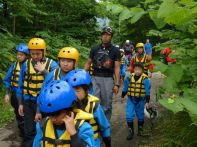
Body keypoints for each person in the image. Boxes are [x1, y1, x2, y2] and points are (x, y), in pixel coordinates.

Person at [17, 38, 59, 147]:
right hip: (28, 102)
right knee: (29, 130)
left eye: (38, 54)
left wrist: (44, 71)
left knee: (45, 129)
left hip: (46, 103)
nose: (35, 56)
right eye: (32, 54)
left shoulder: (52, 64)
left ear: (43, 52)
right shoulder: (26, 64)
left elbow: (57, 81)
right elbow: (20, 85)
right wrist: (20, 103)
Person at [33, 80, 95, 147]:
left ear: (69, 109)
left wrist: (74, 134)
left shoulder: (84, 128)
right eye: (50, 115)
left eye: (57, 114)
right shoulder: (42, 126)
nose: (53, 119)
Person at [84, 26, 121, 120]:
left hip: (108, 78)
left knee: (107, 103)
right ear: (101, 36)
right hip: (95, 77)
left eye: (108, 35)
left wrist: (117, 84)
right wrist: (82, 77)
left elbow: (117, 68)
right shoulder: (95, 48)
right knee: (94, 101)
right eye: (103, 34)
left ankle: (106, 126)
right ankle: (95, 124)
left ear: (111, 36)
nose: (105, 36)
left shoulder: (115, 50)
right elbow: (88, 63)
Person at [67, 69, 111, 147]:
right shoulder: (65, 107)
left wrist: (107, 139)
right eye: (71, 90)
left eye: (77, 90)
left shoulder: (94, 105)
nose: (73, 95)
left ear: (87, 90)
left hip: (92, 142)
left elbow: (104, 125)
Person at [3, 44, 29, 139]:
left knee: (27, 115)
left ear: (26, 55)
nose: (19, 56)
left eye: (21, 54)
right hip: (15, 94)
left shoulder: (30, 65)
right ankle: (23, 135)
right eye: (18, 54)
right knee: (19, 115)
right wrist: (6, 94)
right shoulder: (14, 65)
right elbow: (7, 80)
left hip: (26, 94)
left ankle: (29, 134)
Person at [121, 62, 151, 140]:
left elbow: (147, 91)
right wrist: (122, 96)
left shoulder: (145, 79)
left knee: (140, 116)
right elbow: (125, 88)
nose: (137, 71)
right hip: (131, 99)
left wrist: (147, 102)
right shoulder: (129, 77)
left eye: (139, 69)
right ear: (133, 69)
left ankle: (140, 131)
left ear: (142, 70)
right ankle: (131, 132)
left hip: (141, 100)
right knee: (129, 116)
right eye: (136, 69)